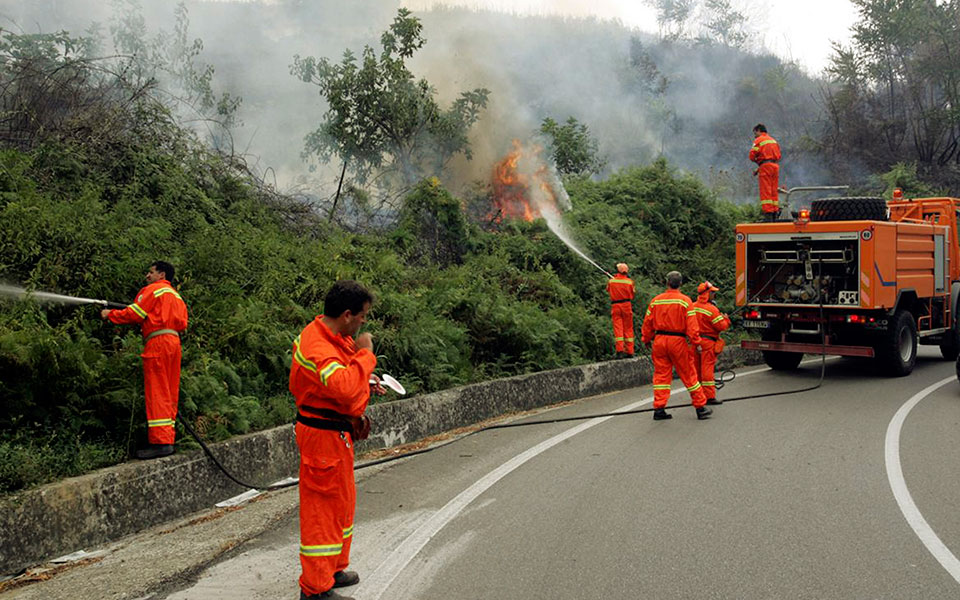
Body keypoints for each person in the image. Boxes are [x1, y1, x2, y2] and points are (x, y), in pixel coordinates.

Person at [289, 280, 385, 600]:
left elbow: (345, 379)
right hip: (322, 437)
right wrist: (367, 355)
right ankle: (315, 589)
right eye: (363, 316)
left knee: (341, 505)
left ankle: (333, 569)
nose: (363, 323)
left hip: (336, 435)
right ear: (347, 315)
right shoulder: (316, 345)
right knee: (322, 512)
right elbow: (343, 387)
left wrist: (366, 382)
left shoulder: (334, 337)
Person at [101, 261, 188, 459]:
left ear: (161, 274)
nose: (147, 276)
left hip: (157, 342)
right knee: (168, 390)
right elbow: (182, 322)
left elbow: (135, 313)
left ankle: (160, 443)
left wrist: (110, 315)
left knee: (157, 390)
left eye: (150, 272)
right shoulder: (175, 296)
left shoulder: (152, 290)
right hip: (174, 343)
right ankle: (167, 439)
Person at [640, 271, 712, 421]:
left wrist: (646, 339)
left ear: (666, 283)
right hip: (677, 342)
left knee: (661, 376)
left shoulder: (656, 301)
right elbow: (692, 327)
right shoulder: (685, 301)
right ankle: (700, 408)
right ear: (680, 284)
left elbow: (647, 323)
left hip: (659, 341)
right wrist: (696, 343)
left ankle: (659, 409)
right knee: (689, 374)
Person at [689, 281, 731, 406]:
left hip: (694, 342)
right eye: (712, 292)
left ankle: (697, 396)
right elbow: (721, 326)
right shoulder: (712, 309)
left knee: (696, 370)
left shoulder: (692, 306)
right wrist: (726, 319)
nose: (714, 294)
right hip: (707, 343)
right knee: (707, 370)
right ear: (707, 293)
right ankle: (709, 397)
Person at [749, 123, 782, 221]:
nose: (755, 135)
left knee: (766, 190)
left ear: (759, 130)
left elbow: (752, 156)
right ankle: (775, 213)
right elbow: (775, 157)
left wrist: (758, 163)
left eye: (755, 133)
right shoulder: (773, 141)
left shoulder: (758, 140)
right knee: (773, 190)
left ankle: (768, 216)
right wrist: (759, 168)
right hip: (775, 166)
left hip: (766, 167)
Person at [607, 263, 636, 357]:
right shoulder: (629, 282)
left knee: (618, 328)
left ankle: (619, 351)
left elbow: (608, 289)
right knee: (628, 328)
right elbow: (632, 294)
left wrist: (614, 279)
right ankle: (630, 351)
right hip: (627, 305)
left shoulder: (611, 281)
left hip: (615, 306)